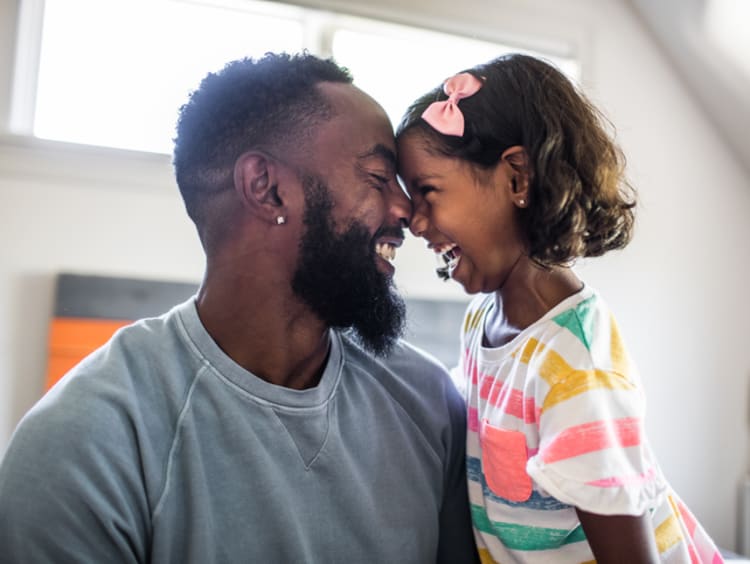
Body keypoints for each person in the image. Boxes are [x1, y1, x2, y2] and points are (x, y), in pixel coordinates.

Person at [0, 52, 479, 563]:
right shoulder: (85, 443)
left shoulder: (429, 404)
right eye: (379, 178)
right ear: (266, 188)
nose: (407, 210)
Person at [396, 53, 723, 563]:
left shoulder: (576, 369)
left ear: (516, 179)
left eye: (427, 192)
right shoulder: (483, 321)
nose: (415, 222)